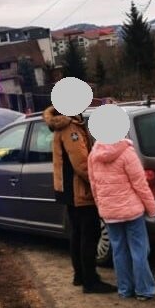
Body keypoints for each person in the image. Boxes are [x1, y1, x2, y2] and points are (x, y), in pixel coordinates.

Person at [44, 106, 116, 294]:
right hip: (79, 190)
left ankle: (80, 276)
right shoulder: (70, 128)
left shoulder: (66, 124)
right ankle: (90, 281)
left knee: (77, 234)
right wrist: (97, 182)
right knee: (89, 235)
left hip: (69, 190)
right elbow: (82, 163)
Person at [88, 136, 155, 301]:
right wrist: (152, 208)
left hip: (110, 213)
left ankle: (125, 289)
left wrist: (101, 207)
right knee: (139, 250)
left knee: (119, 251)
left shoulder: (93, 154)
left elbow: (94, 185)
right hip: (132, 212)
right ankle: (144, 290)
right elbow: (140, 184)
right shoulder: (127, 153)